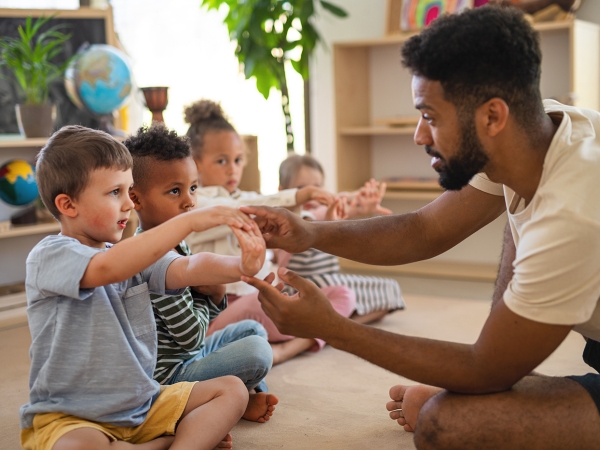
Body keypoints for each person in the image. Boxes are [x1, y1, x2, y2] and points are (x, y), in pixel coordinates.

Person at [240, 6, 600, 449]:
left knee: (445, 425)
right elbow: (422, 230)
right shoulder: (536, 132)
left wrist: (333, 327)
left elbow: (483, 365)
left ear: (492, 116)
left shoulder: (573, 209)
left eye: (430, 116)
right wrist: (310, 233)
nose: (419, 135)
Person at [20, 125, 266, 450]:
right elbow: (106, 269)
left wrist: (241, 267)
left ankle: (168, 443)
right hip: (74, 415)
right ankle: (165, 441)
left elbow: (188, 266)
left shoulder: (130, 256)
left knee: (231, 390)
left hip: (143, 401)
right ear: (68, 205)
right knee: (78, 446)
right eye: (114, 193)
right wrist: (189, 221)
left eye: (129, 190)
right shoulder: (50, 255)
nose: (128, 204)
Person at [182, 99, 357, 364]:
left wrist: (332, 209)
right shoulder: (194, 203)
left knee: (342, 294)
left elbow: (270, 203)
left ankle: (288, 348)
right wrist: (299, 195)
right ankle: (228, 343)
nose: (233, 169)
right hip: (225, 309)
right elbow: (244, 208)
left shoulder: (243, 195)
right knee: (261, 303)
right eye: (222, 161)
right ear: (195, 163)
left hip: (265, 298)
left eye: (238, 160)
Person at [124, 123, 277, 423]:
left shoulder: (177, 242)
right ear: (136, 199)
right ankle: (219, 403)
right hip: (170, 377)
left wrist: (210, 295)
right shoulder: (150, 257)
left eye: (193, 188)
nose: (189, 201)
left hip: (188, 358)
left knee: (253, 331)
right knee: (258, 351)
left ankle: (234, 399)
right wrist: (215, 293)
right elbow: (193, 338)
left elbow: (198, 312)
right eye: (174, 191)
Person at [275, 153, 405, 324]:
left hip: (331, 285)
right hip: (298, 289)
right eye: (302, 189)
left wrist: (356, 202)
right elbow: (320, 214)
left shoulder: (325, 212)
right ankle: (334, 326)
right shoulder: (289, 218)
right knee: (346, 289)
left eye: (317, 188)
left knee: (390, 289)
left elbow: (334, 205)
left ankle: (343, 326)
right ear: (282, 192)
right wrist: (355, 202)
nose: (312, 195)